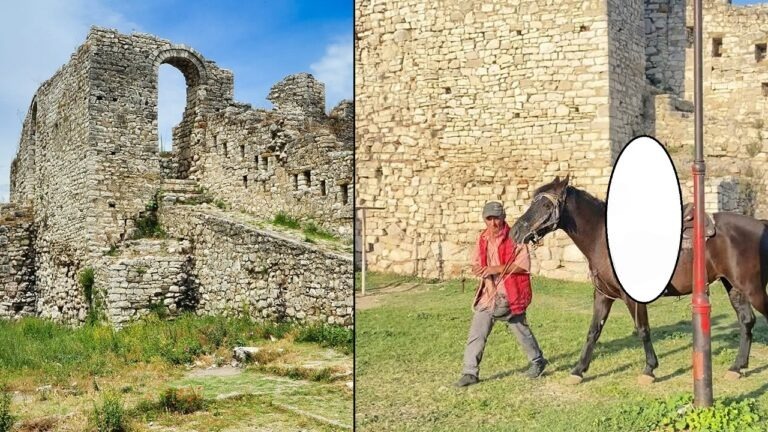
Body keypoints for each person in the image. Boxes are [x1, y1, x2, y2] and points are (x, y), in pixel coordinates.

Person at [455, 201, 547, 387]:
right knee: (477, 333)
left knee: (521, 331)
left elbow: (522, 266)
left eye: (497, 218)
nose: (493, 223)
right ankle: (470, 372)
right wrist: (478, 269)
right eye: (489, 218)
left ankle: (537, 361)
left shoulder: (516, 238)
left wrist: (493, 269)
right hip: (488, 294)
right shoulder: (482, 239)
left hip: (510, 295)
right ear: (484, 219)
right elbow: (476, 262)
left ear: (503, 218)